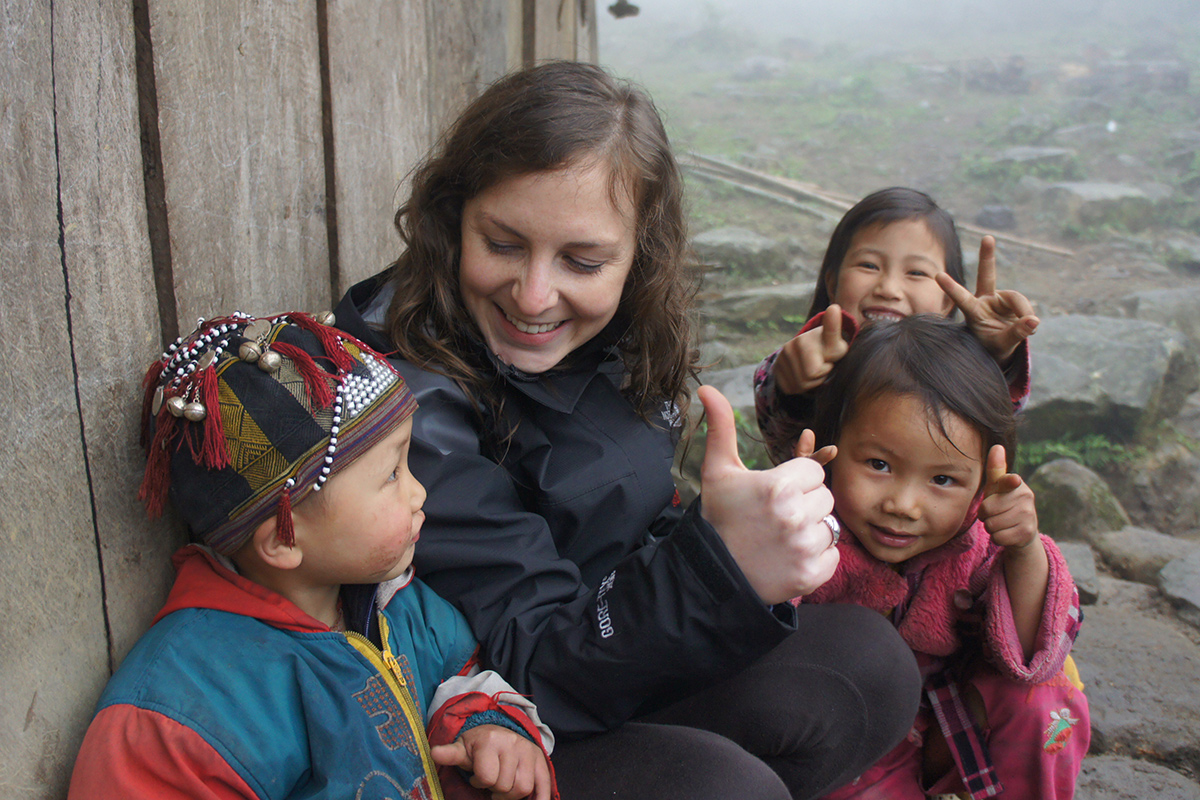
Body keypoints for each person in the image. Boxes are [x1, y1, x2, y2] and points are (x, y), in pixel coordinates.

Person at [333, 60, 922, 800]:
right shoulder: (406, 400)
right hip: (476, 722)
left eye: (582, 260)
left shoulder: (613, 339)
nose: (535, 294)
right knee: (729, 791)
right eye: (504, 244)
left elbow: (619, 538)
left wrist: (723, 536)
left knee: (869, 668)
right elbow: (530, 658)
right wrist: (720, 569)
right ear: (453, 219)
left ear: (639, 255)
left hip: (594, 657)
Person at [68, 312, 556, 800]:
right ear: (284, 539)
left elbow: (459, 680)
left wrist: (491, 730)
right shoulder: (178, 716)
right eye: (391, 475)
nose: (419, 491)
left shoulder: (402, 606)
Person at [796, 314, 1088, 800]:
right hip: (854, 738)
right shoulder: (810, 528)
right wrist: (783, 527)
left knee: (1050, 696)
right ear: (832, 443)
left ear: (982, 483)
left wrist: (1023, 550)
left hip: (953, 722)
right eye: (879, 464)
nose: (903, 505)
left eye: (942, 480)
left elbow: (1036, 645)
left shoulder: (977, 541)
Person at [754, 187, 1040, 465]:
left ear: (948, 301)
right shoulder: (816, 366)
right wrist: (790, 384)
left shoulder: (955, 376)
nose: (889, 288)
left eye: (916, 272)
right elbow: (777, 427)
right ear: (832, 282)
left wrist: (993, 358)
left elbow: (999, 424)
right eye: (868, 265)